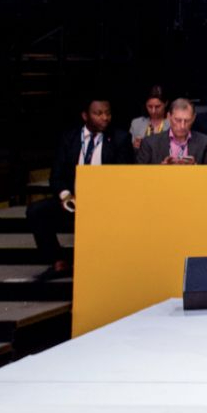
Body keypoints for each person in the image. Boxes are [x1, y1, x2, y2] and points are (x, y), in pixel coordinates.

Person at [28, 98, 133, 280]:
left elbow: (123, 177)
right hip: (73, 199)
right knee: (36, 211)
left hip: (105, 202)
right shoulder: (69, 138)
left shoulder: (120, 138)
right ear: (85, 116)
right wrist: (66, 196)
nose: (105, 118)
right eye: (98, 113)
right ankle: (58, 261)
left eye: (107, 113)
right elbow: (57, 176)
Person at [135, 98, 207, 166]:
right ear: (169, 117)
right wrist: (159, 170)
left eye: (187, 120)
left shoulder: (204, 142)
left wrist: (195, 169)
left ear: (193, 118)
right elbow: (138, 175)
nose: (182, 126)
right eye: (178, 120)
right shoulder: (150, 143)